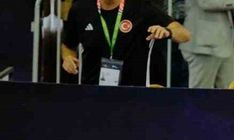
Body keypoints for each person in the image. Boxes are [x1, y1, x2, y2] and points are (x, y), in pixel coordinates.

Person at [62, 0, 191, 87]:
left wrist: (168, 32)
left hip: (133, 91)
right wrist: (68, 58)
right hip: (92, 89)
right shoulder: (80, 8)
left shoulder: (141, 7)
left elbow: (184, 34)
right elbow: (68, 45)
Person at [180, 0, 234, 89]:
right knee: (201, 92)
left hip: (225, 42)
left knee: (231, 90)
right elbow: (206, 2)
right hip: (203, 46)